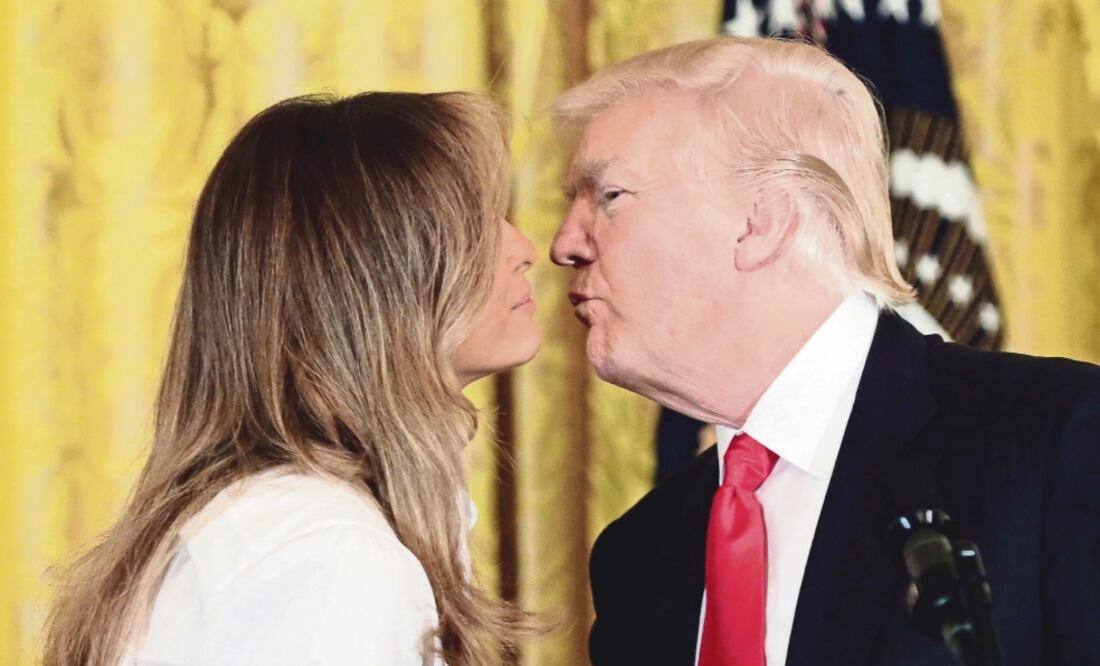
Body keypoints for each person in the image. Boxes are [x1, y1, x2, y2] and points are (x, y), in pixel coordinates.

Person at [550, 36, 1100, 666]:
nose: (565, 242)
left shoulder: (1055, 440)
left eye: (610, 196)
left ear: (762, 222)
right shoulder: (640, 553)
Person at [44, 91, 542, 666]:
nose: (525, 249)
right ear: (375, 275)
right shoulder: (324, 550)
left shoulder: (294, 527)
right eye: (479, 223)